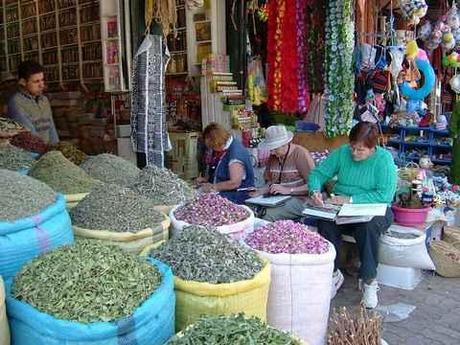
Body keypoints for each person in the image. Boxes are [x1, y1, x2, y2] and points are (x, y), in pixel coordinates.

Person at [308, 121, 397, 309]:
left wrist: (350, 200)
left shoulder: (384, 159)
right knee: (325, 223)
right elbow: (318, 174)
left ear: (373, 148)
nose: (355, 153)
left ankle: (369, 280)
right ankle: (333, 273)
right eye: (353, 148)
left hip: (376, 209)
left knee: (368, 228)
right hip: (342, 208)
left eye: (361, 150)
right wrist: (315, 190)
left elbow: (385, 195)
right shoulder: (342, 152)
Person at [255, 125, 315, 221]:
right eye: (271, 149)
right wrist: (260, 191)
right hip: (277, 198)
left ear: (285, 144)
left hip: (301, 200)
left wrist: (289, 190)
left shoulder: (300, 154)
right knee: (251, 208)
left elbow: (314, 185)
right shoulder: (273, 156)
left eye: (274, 149)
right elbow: (270, 182)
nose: (272, 152)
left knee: (268, 215)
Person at [197, 122, 255, 204]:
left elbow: (234, 183)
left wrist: (213, 187)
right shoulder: (221, 148)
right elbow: (218, 169)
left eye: (212, 146)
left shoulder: (235, 153)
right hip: (224, 192)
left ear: (217, 142)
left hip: (237, 195)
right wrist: (206, 180)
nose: (211, 148)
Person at [8, 61, 59, 144]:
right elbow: (30, 136)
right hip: (30, 153)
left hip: (46, 151)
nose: (41, 85)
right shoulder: (16, 102)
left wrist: (57, 149)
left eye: (42, 80)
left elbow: (52, 129)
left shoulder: (44, 100)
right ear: (23, 82)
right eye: (36, 81)